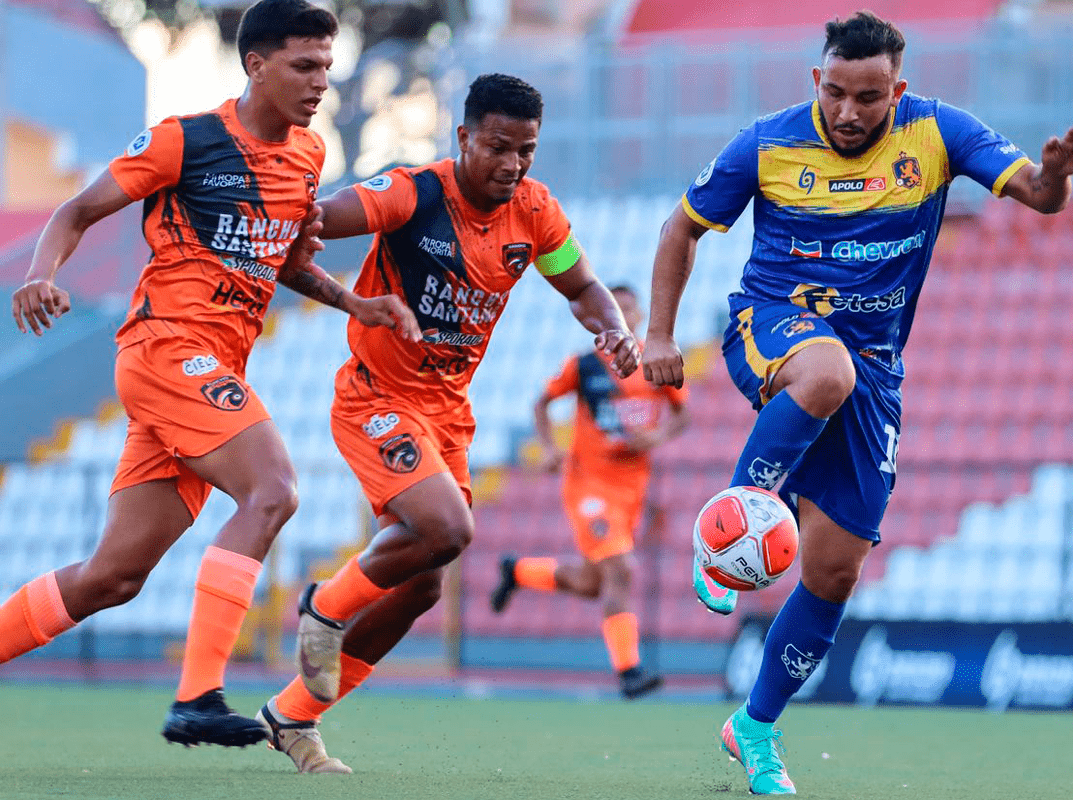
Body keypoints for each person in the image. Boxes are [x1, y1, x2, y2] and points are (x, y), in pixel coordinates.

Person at [640, 11, 1073, 795]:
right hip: (774, 321)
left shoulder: (937, 134)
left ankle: (753, 726)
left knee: (836, 570)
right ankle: (729, 527)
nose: (852, 113)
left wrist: (1053, 174)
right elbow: (683, 228)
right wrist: (658, 334)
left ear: (899, 91)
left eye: (871, 97)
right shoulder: (767, 142)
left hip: (878, 368)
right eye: (839, 93)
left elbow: (1037, 194)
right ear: (817, 81)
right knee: (825, 374)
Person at [2, 0, 418, 748]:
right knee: (274, 489)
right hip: (165, 349)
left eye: (326, 65)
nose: (320, 80)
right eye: (303, 65)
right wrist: (41, 275)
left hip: (209, 369)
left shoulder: (308, 155)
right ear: (255, 65)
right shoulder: (183, 140)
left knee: (112, 576)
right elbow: (74, 210)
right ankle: (197, 696)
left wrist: (356, 301)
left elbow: (285, 260)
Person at [252, 73, 640, 773]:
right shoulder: (414, 193)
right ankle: (325, 610)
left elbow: (581, 287)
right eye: (498, 147)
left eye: (526, 150)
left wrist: (611, 331)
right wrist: (337, 280)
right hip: (376, 399)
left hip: (448, 414)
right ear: (463, 137)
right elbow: (316, 220)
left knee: (425, 583)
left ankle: (293, 716)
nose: (513, 164)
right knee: (449, 530)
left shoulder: (534, 212)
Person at [488, 284, 688, 700]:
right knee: (623, 570)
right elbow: (542, 402)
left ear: (638, 317)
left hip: (630, 491)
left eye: (629, 311)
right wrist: (547, 448)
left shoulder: (655, 364)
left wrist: (657, 437)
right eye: (615, 312)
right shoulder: (583, 366)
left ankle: (518, 571)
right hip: (588, 485)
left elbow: (682, 414)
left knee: (594, 583)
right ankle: (629, 671)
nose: (624, 319)